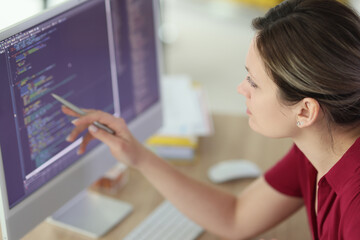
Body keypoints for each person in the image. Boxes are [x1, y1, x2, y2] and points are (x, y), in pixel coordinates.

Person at [62, 0, 360, 239]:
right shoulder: (318, 146)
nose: (241, 89)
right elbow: (237, 217)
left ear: (305, 111)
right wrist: (138, 156)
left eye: (253, 82)